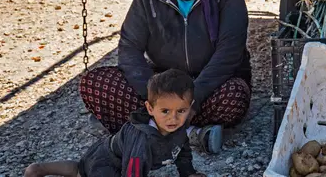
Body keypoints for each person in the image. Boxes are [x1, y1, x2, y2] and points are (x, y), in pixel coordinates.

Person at [79, 0, 251, 154]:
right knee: (95, 83)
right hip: (162, 84)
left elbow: (229, 53)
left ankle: (146, 129)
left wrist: (193, 100)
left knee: (235, 95)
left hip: (207, 85)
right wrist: (156, 98)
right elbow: (129, 48)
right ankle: (190, 134)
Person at [25, 69, 205, 177]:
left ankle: (40, 169)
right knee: (83, 171)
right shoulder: (142, 139)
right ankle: (38, 168)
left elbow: (182, 151)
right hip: (109, 165)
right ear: (150, 109)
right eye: (165, 111)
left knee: (81, 168)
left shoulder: (177, 127)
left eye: (181, 111)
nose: (173, 118)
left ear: (190, 108)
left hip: (107, 155)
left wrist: (188, 172)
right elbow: (133, 173)